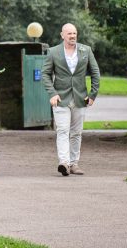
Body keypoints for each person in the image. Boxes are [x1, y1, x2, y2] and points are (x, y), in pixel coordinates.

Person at [42, 23, 101, 177]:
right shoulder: (53, 52)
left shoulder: (86, 50)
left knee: (76, 133)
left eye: (74, 33)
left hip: (81, 98)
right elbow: (45, 74)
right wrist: (52, 93)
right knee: (62, 130)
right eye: (69, 33)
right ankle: (64, 163)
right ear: (62, 35)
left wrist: (93, 95)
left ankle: (74, 164)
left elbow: (95, 73)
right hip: (61, 98)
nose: (73, 36)